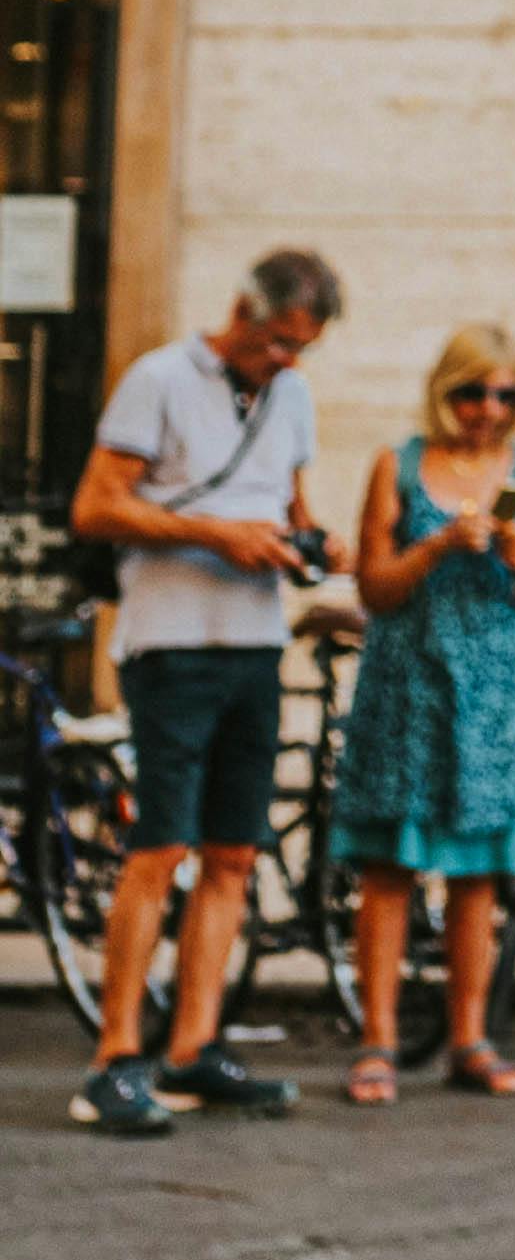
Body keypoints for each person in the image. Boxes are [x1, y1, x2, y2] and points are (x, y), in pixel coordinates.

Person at [65, 249, 342, 1139]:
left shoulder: (289, 396)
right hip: (171, 646)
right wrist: (212, 534)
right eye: (275, 343)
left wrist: (309, 545)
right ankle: (114, 1060)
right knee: (159, 848)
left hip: (255, 646)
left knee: (233, 855)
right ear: (240, 313)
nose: (287, 361)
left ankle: (190, 1049)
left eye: (302, 347)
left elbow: (293, 506)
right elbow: (96, 508)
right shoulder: (157, 379)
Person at [325, 328, 515, 1106]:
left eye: (505, 396)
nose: (487, 411)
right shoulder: (398, 463)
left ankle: (470, 1038)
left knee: (475, 873)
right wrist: (437, 547)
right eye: (472, 393)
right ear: (443, 390)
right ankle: (377, 1042)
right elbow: (374, 587)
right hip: (407, 683)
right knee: (389, 869)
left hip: (489, 688)